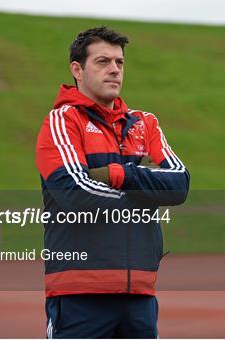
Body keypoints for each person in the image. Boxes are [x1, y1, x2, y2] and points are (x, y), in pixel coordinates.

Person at [35, 26, 190, 338]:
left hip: (140, 294)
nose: (114, 70)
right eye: (103, 62)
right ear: (77, 70)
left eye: (119, 62)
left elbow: (178, 184)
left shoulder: (145, 123)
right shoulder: (63, 121)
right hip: (80, 294)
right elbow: (75, 193)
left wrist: (119, 174)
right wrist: (147, 193)